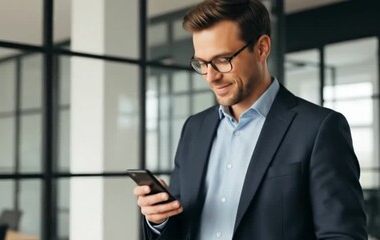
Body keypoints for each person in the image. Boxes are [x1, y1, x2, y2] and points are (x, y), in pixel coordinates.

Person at [133, 0, 367, 239]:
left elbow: (342, 234)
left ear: (262, 48)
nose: (211, 77)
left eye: (223, 59)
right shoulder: (194, 128)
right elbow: (182, 228)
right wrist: (160, 220)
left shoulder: (319, 128)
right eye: (202, 63)